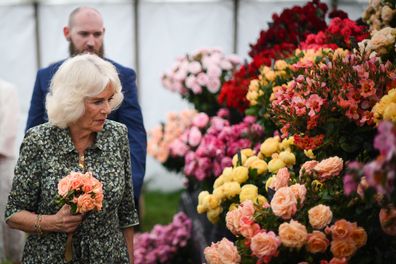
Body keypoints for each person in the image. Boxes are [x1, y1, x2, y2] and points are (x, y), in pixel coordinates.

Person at [5, 54, 138, 263]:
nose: (107, 109)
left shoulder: (117, 134)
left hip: (108, 257)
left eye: (109, 99)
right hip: (49, 258)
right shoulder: (38, 140)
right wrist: (53, 222)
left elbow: (127, 212)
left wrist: (129, 259)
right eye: (97, 101)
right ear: (73, 101)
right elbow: (13, 214)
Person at [25, 6, 146, 218]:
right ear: (67, 33)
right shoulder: (46, 77)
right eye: (83, 34)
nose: (91, 41)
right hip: (56, 194)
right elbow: (32, 133)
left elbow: (134, 135)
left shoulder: (123, 76)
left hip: (108, 193)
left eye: (97, 34)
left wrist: (129, 190)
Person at [0, 79, 25, 263]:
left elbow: (8, 131)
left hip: (3, 162)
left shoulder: (7, 90)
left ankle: (16, 257)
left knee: (8, 213)